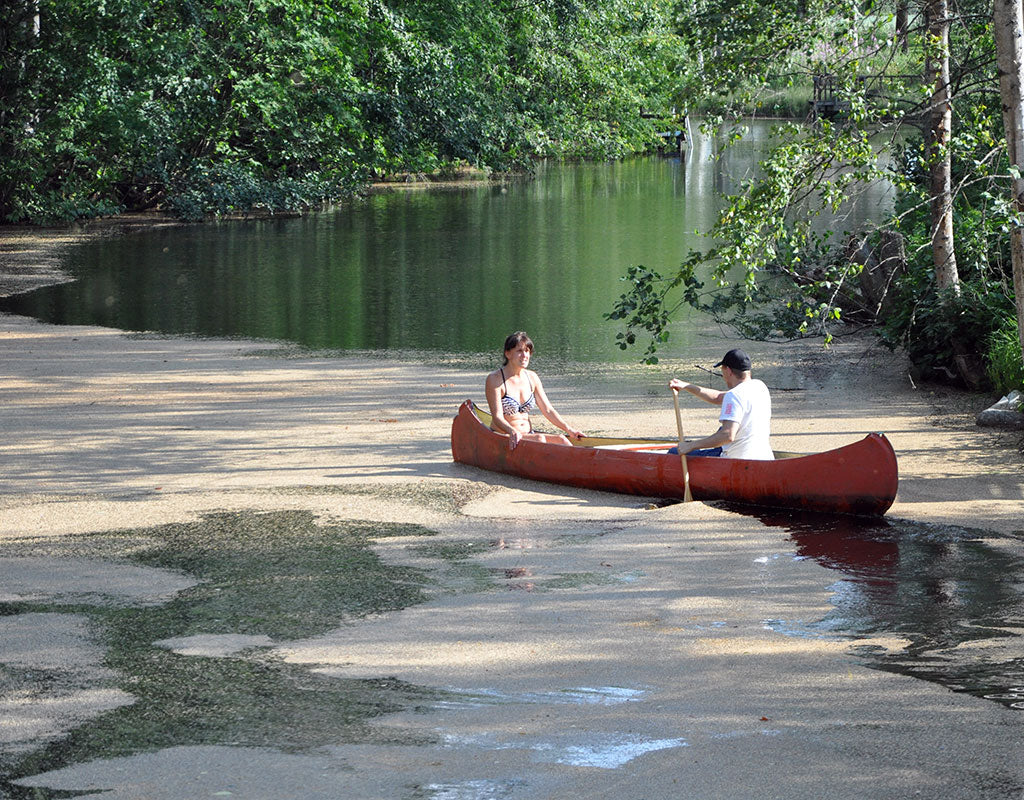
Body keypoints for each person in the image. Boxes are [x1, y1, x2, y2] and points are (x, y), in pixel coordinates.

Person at [668, 348, 774, 460]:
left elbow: (727, 435)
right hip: (764, 457)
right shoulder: (760, 387)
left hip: (737, 460)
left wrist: (690, 446)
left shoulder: (734, 395)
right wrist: (685, 386)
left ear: (728, 370)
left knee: (673, 452)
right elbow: (717, 397)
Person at [485, 331, 584, 450]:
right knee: (540, 439)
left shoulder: (532, 377)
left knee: (562, 439)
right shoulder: (495, 379)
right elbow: (497, 417)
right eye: (519, 351)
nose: (524, 355)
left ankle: (579, 464)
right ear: (508, 354)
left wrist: (569, 429)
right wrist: (512, 431)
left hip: (529, 435)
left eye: (527, 351)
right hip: (506, 437)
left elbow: (547, 410)